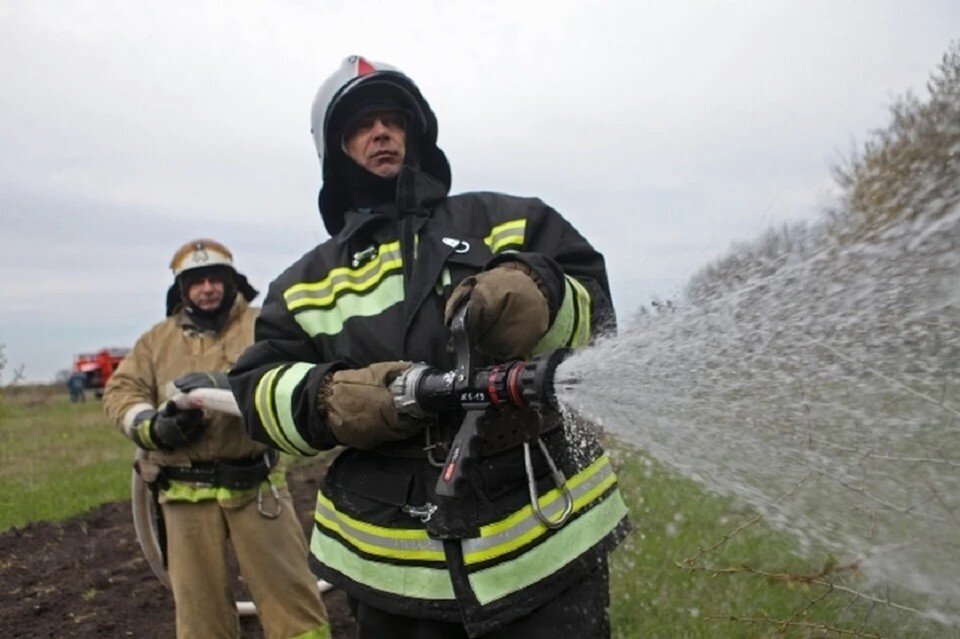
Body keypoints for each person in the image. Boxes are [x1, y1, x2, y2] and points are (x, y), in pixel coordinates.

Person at [229, 56, 630, 638]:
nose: (381, 132)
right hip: (394, 572)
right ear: (336, 149)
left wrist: (537, 291)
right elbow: (257, 392)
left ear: (415, 133)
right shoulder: (306, 283)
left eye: (393, 119)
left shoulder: (507, 222)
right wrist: (334, 399)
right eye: (362, 125)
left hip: (547, 539)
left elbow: (594, 308)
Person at [102, 239, 329, 639]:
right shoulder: (157, 342)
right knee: (200, 617)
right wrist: (152, 427)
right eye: (196, 281)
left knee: (292, 603)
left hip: (256, 488)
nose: (207, 288)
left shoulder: (264, 326)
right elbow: (121, 392)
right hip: (183, 495)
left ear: (231, 282)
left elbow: (296, 374)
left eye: (215, 279)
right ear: (182, 289)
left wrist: (230, 385)